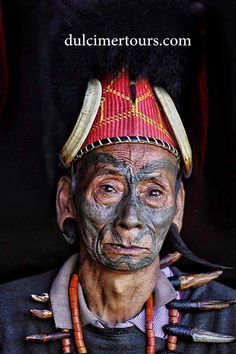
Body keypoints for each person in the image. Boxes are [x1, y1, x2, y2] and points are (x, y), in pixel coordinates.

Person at [0, 1, 236, 353]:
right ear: (68, 201)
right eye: (108, 188)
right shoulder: (6, 316)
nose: (130, 220)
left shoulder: (228, 319)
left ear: (179, 206)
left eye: (154, 192)